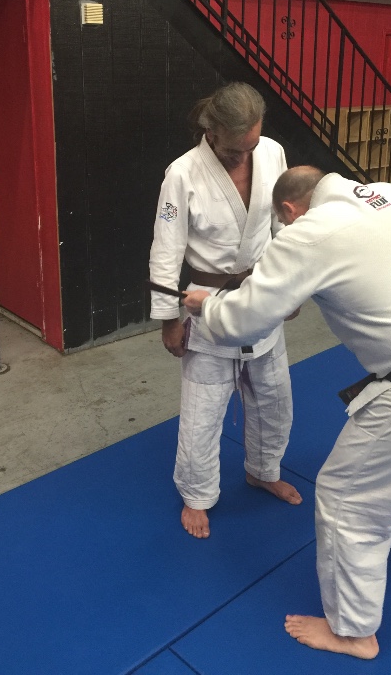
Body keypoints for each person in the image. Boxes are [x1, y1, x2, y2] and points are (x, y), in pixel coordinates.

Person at [184, 165, 391, 659]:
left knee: (347, 502)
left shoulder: (309, 234)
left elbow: (243, 321)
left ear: (290, 211)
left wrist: (205, 306)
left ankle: (354, 631)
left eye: (284, 223)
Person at [149, 82, 302, 541]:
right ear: (211, 131)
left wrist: (289, 288)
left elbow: (284, 225)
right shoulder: (182, 174)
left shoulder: (272, 153)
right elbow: (166, 251)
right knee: (204, 409)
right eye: (235, 149)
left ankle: (263, 469)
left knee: (274, 398)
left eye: (250, 146)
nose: (244, 156)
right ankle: (197, 494)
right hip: (206, 302)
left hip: (260, 294)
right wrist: (169, 320)